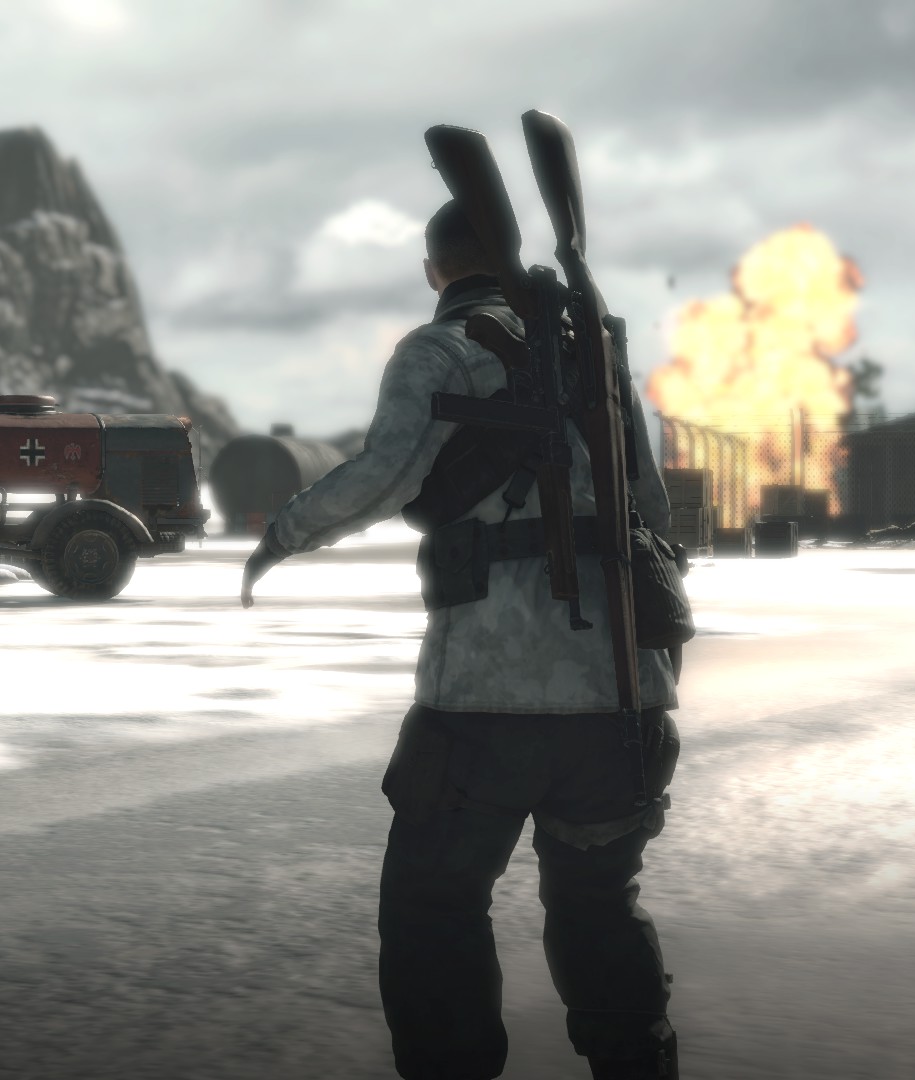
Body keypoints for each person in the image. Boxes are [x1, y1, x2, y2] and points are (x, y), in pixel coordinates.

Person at [240, 199, 683, 1080]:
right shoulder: (593, 353)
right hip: (619, 700)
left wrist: (282, 536)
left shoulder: (440, 349)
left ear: (433, 269)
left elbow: (383, 475)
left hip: (483, 701)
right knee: (597, 907)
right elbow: (651, 509)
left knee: (433, 911)